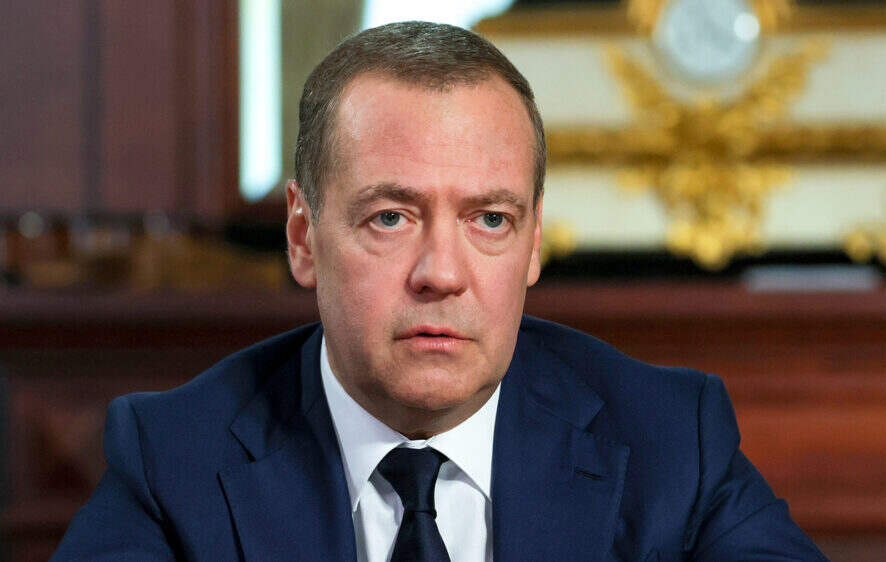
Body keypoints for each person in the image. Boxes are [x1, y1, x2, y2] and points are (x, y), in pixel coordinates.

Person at [53, 21, 826, 561]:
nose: (442, 274)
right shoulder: (174, 459)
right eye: (390, 217)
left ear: (533, 243)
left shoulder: (670, 442)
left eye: (489, 220)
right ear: (303, 236)